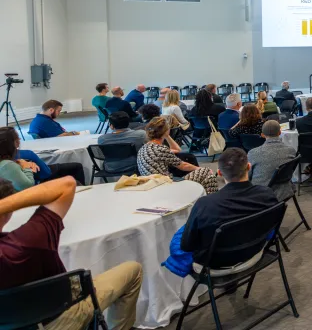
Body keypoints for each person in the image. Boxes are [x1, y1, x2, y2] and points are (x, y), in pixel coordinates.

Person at [0, 176, 143, 330]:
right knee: (133, 270)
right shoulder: (26, 241)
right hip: (56, 319)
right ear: (7, 212)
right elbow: (66, 184)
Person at [180, 148, 278, 271]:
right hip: (256, 250)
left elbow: (186, 245)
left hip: (215, 263)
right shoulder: (267, 194)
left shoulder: (205, 204)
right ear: (249, 166)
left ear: (220, 173)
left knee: (181, 234)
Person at [138, 117, 218, 194]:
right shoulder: (161, 149)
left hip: (152, 184)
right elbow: (183, 166)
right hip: (167, 185)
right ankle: (210, 199)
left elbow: (177, 150)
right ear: (166, 130)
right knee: (206, 172)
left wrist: (166, 135)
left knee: (203, 176)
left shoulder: (144, 148)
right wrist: (200, 168)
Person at [247, 120, 297, 199]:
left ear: (262, 135)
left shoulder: (253, 153)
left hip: (260, 193)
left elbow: (248, 176)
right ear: (280, 132)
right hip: (285, 190)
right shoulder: (291, 150)